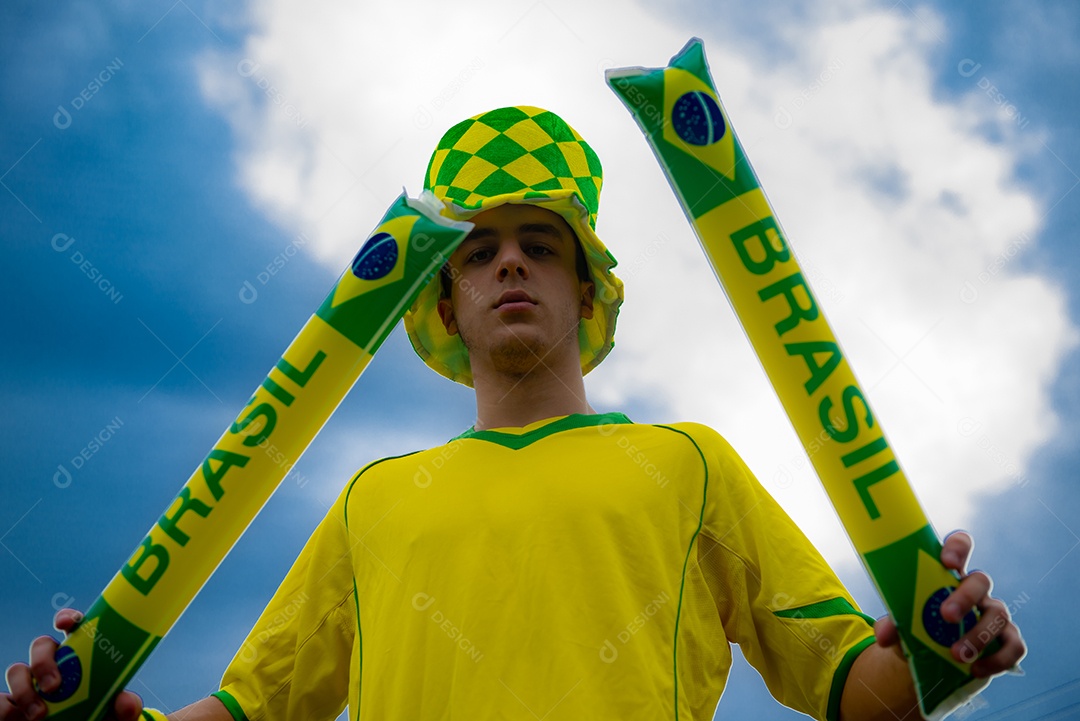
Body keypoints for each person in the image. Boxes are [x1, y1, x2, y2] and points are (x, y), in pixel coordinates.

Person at [3, 107, 1025, 721]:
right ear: (444, 301)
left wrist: (944, 655)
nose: (509, 263)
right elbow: (252, 706)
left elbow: (852, 687)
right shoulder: (375, 500)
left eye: (541, 243)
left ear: (588, 290)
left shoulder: (690, 465)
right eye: (482, 250)